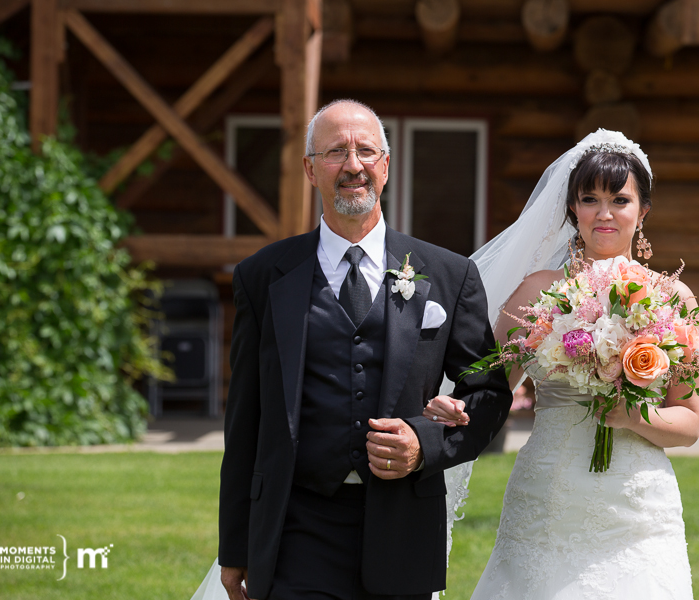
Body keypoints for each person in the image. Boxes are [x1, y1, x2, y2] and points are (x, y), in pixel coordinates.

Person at [190, 99, 512, 600]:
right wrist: (234, 546)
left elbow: (489, 395)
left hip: (403, 525)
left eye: (365, 150)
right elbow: (246, 418)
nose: (353, 165)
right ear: (310, 168)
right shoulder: (263, 276)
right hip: (297, 525)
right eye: (336, 151)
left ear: (385, 165)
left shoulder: (449, 275)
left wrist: (424, 443)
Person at [424, 129, 699, 599]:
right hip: (550, 494)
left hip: (637, 503)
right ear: (572, 208)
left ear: (643, 211)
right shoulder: (538, 290)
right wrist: (458, 409)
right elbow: (489, 385)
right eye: (590, 198)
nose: (605, 213)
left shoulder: (674, 300)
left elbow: (690, 421)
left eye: (620, 199)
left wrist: (634, 413)